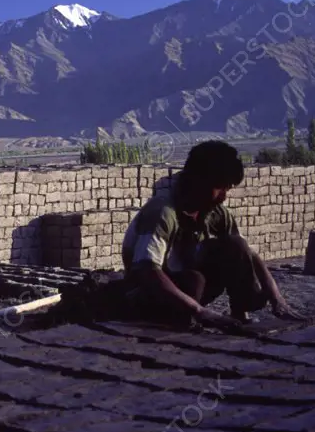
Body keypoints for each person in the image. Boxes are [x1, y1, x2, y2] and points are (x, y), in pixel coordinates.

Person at [121, 140, 304, 328]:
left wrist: (277, 298)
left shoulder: (215, 213)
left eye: (227, 188)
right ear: (199, 181)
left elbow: (247, 253)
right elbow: (147, 271)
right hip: (147, 291)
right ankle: (174, 318)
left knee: (235, 246)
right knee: (195, 280)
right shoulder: (162, 211)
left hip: (189, 287)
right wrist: (201, 312)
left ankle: (239, 314)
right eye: (220, 188)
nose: (223, 196)